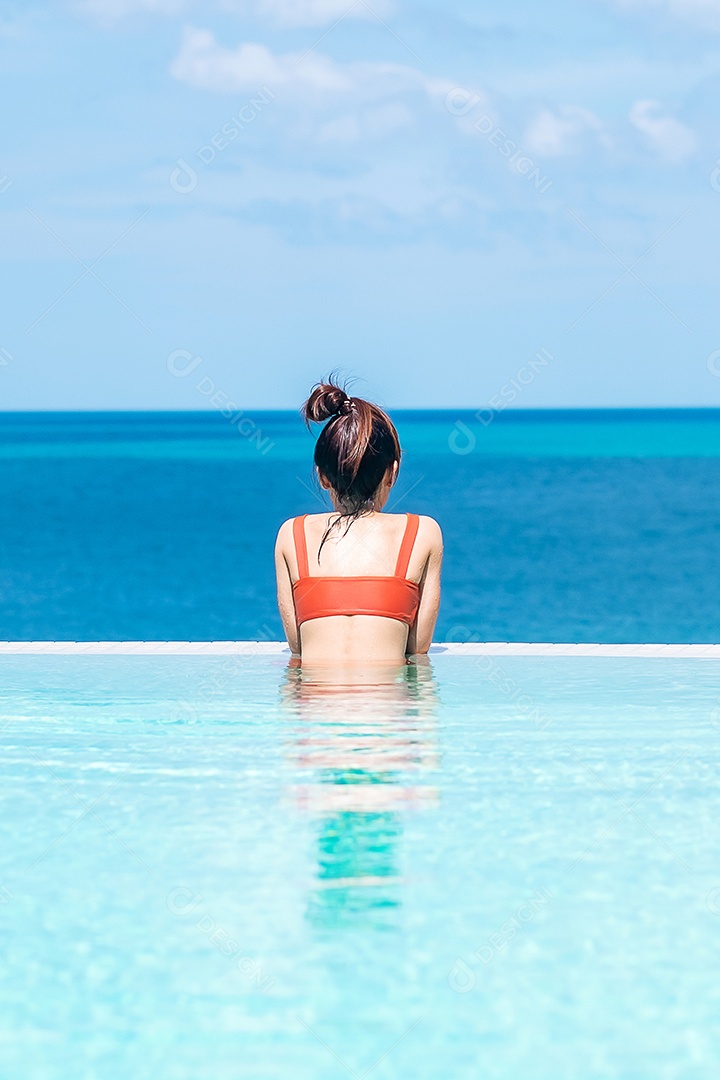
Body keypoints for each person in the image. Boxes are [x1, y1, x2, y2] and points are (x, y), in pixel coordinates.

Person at [275, 380, 443, 663]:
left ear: (322, 477)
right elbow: (417, 647)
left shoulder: (291, 534)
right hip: (385, 705)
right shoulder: (423, 533)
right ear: (392, 472)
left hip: (314, 705)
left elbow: (298, 646)